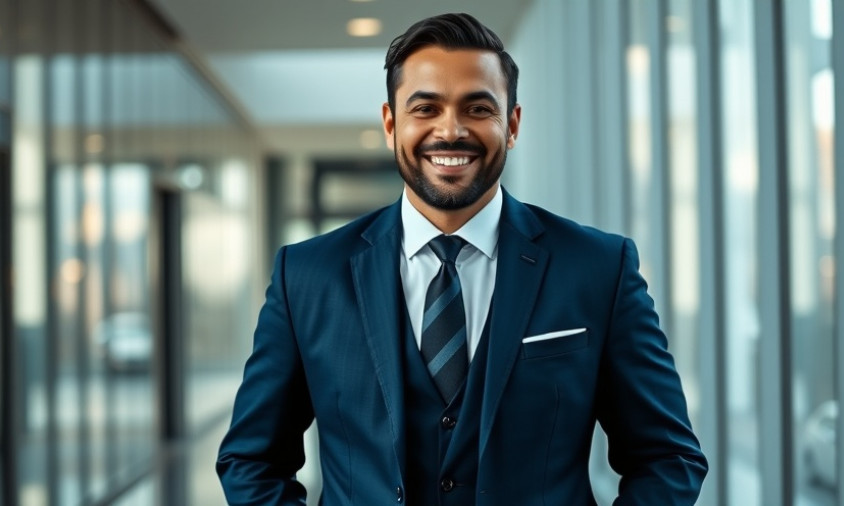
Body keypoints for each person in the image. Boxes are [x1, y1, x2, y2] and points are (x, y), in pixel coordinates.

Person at [217, 12, 707, 505]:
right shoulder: (307, 275)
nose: (450, 132)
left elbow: (668, 458)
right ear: (391, 125)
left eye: (477, 109)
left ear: (511, 125)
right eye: (425, 109)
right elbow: (252, 460)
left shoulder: (598, 268)